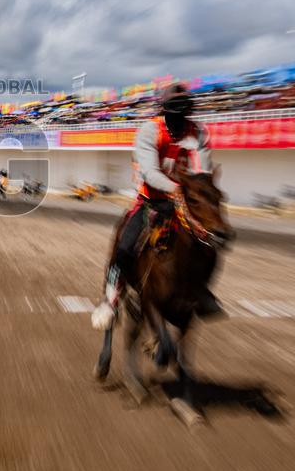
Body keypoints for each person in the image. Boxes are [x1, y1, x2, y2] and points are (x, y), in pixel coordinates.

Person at [91, 82, 223, 330]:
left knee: (212, 243)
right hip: (150, 201)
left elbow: (204, 171)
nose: (182, 117)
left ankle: (203, 292)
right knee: (123, 247)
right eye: (176, 110)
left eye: (185, 110)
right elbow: (150, 174)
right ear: (165, 110)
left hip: (184, 202)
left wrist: (198, 195)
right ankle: (110, 301)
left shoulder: (199, 132)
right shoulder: (149, 131)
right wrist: (179, 190)